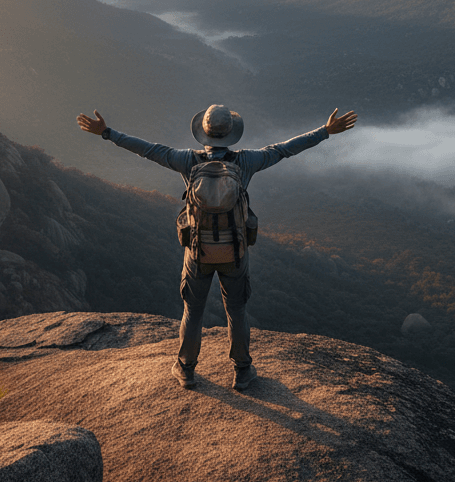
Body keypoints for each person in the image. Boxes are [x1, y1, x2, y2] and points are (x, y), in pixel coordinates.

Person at [76, 103, 358, 391]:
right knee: (236, 310)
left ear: (203, 133)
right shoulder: (246, 162)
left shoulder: (187, 161)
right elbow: (284, 149)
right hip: (235, 252)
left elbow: (147, 149)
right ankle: (242, 371)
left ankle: (186, 369)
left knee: (193, 310)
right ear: (232, 134)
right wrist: (325, 131)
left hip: (197, 252)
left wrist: (107, 133)